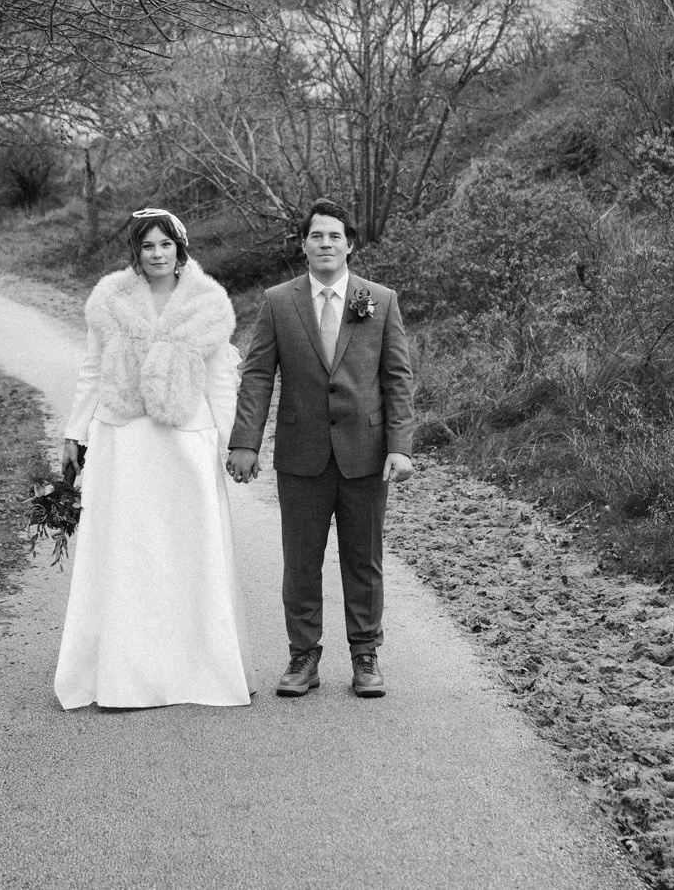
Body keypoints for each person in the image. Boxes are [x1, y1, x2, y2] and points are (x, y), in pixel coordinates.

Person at [53, 208, 251, 710]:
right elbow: (93, 371)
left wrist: (232, 445)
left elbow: (220, 382)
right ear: (135, 253)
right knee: (131, 551)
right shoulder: (111, 303)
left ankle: (198, 670)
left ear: (180, 249)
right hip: (126, 442)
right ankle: (127, 674)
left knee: (188, 550)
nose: (158, 254)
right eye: (148, 247)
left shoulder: (207, 304)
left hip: (186, 440)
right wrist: (75, 433)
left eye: (166, 245)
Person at [226, 197, 415, 699]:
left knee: (363, 558)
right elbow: (259, 374)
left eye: (334, 236)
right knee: (301, 560)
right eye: (316, 236)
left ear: (349, 244)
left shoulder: (381, 299)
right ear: (303, 245)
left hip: (366, 453)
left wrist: (400, 445)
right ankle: (302, 656)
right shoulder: (278, 301)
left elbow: (397, 377)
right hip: (301, 454)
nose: (325, 244)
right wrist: (245, 442)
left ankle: (365, 653)